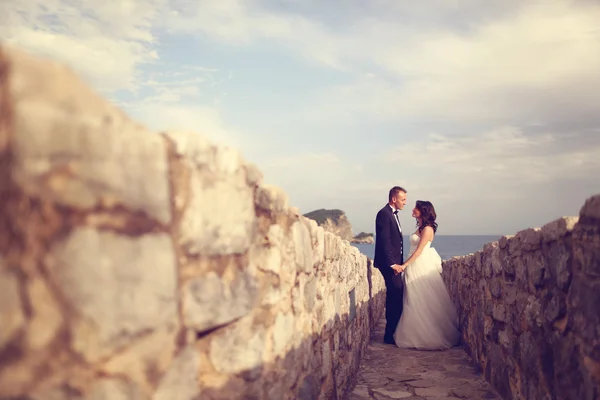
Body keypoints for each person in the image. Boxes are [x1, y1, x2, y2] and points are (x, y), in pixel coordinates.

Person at [393, 200, 461, 350]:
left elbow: (419, 251)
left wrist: (404, 265)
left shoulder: (428, 229)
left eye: (415, 208)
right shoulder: (421, 227)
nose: (412, 209)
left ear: (422, 211)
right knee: (412, 298)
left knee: (419, 298)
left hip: (420, 264)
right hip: (413, 263)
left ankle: (426, 336)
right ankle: (414, 333)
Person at [373, 186, 407, 345]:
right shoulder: (384, 214)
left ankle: (392, 332)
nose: (405, 203)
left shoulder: (393, 214)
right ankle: (389, 335)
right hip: (389, 265)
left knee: (396, 295)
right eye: (403, 199)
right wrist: (393, 264)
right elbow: (385, 240)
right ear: (394, 199)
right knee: (395, 295)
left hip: (394, 263)